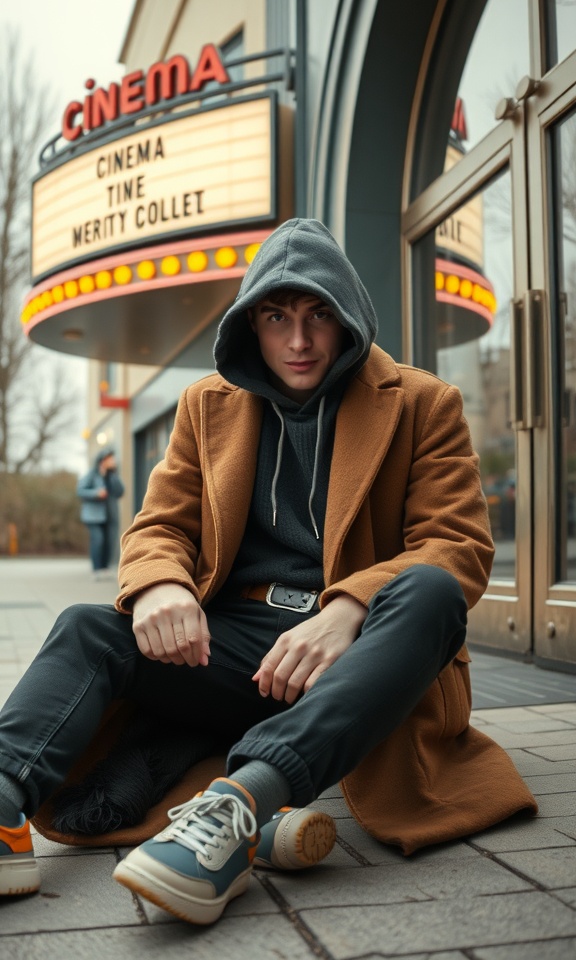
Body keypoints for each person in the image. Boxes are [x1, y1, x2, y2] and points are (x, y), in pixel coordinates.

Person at [0, 219, 536, 922]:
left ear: (348, 317)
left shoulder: (422, 402)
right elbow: (161, 524)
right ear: (250, 325)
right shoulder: (206, 406)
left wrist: (346, 611)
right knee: (88, 628)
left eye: (318, 315)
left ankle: (237, 808)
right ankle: (5, 806)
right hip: (238, 649)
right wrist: (162, 583)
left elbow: (456, 544)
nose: (299, 340)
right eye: (276, 317)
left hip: (367, 652)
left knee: (433, 590)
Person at [77, 448, 125, 577]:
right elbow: (80, 491)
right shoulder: (92, 474)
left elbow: (120, 491)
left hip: (110, 514)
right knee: (98, 540)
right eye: (110, 459)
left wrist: (113, 475)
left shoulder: (113, 475)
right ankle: (96, 569)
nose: (112, 461)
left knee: (109, 541)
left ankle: (105, 568)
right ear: (103, 460)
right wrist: (96, 493)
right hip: (94, 516)